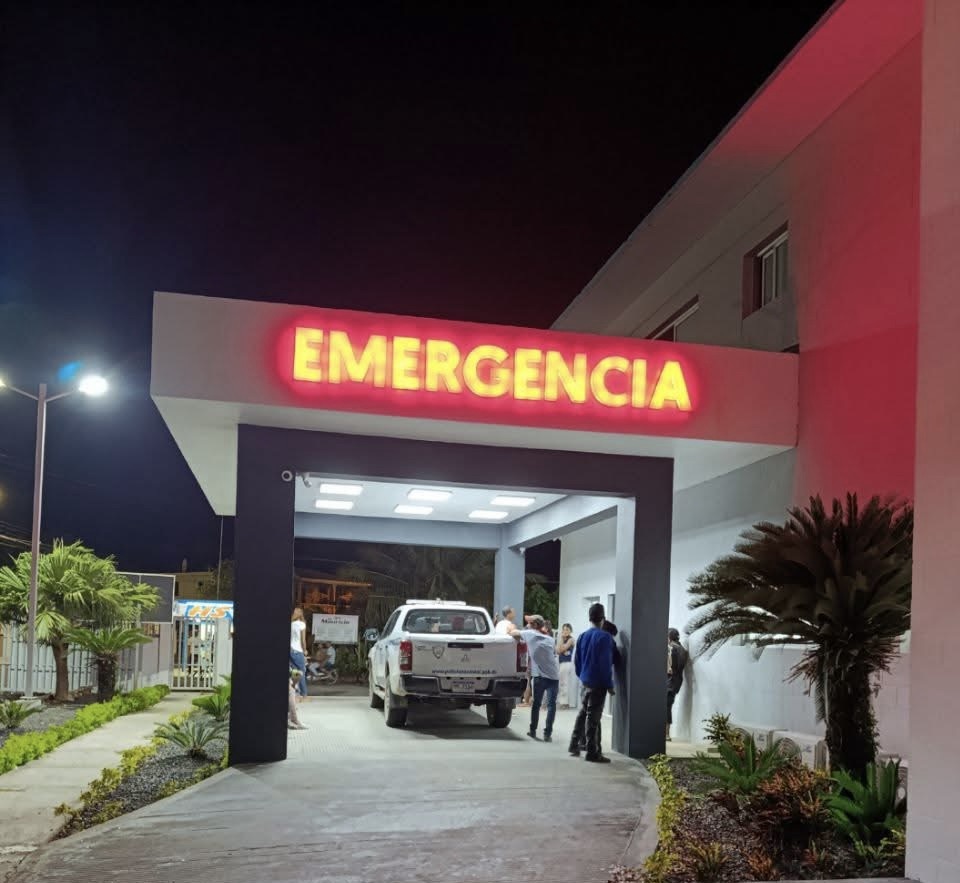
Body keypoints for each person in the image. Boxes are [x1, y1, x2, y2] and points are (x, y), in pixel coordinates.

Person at [568, 603, 615, 763]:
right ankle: (592, 752)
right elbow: (605, 664)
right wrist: (609, 685)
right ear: (603, 619)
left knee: (583, 714)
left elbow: (577, 661)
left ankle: (574, 744)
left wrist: (583, 676)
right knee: (593, 719)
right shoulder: (605, 637)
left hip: (585, 681)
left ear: (590, 618)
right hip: (598, 683)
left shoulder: (582, 636)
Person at [508, 614, 561, 741]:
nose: (527, 625)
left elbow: (512, 633)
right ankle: (547, 734)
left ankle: (532, 731)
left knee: (536, 704)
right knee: (551, 706)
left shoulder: (530, 634)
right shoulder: (550, 639)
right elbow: (553, 653)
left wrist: (513, 628)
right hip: (553, 677)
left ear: (535, 625)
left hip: (539, 677)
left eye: (529, 623)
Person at [666, 627, 688, 741]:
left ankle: (666, 734)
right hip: (675, 683)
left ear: (669, 637)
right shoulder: (682, 649)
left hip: (669, 682)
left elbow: (671, 667)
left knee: (665, 707)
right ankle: (666, 733)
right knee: (667, 707)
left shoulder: (671, 648)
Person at [290, 607, 308, 699]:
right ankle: (304, 694)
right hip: (298, 650)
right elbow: (303, 640)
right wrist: (305, 650)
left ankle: (296, 693)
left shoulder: (291, 624)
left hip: (291, 651)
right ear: (301, 614)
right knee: (302, 672)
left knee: (295, 672)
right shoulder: (302, 624)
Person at [556, 623, 575, 708]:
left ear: (570, 631)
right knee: (561, 682)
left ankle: (565, 702)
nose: (565, 631)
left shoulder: (571, 639)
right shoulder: (562, 639)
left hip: (567, 663)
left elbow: (562, 649)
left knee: (565, 682)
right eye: (563, 629)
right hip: (561, 663)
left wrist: (561, 647)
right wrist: (561, 639)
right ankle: (562, 701)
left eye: (567, 629)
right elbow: (557, 651)